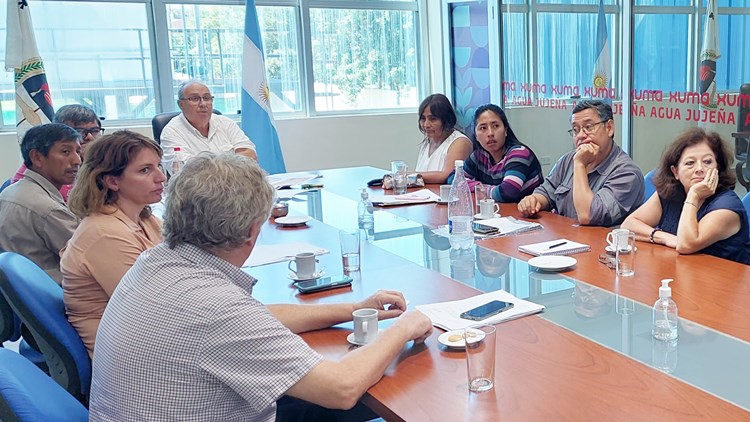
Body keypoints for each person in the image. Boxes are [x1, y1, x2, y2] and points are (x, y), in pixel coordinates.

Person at [89, 153, 433, 421]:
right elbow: (341, 388)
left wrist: (355, 308)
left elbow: (257, 316)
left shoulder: (156, 261)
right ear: (253, 230)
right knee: (390, 392)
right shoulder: (216, 308)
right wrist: (403, 328)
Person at [61, 131, 166, 358]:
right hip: (126, 356)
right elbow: (156, 309)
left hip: (142, 337)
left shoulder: (144, 217)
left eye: (158, 165)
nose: (161, 177)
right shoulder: (104, 234)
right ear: (112, 181)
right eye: (145, 170)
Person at [621, 128, 750, 264]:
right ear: (675, 172)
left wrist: (693, 195)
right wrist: (663, 237)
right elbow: (629, 225)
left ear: (717, 168)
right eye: (690, 163)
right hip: (680, 273)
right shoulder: (670, 193)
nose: (700, 169)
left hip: (724, 281)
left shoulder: (727, 207)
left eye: (707, 162)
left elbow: (686, 244)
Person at [517, 100, 644, 226]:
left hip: (602, 244)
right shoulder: (567, 160)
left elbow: (588, 216)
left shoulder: (627, 173)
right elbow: (546, 192)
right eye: (575, 130)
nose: (580, 136)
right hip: (565, 238)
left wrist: (580, 165)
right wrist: (533, 201)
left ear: (609, 128)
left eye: (588, 127)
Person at [0, 124, 81, 283]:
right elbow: (91, 255)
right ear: (37, 157)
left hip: (22, 291)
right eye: (65, 152)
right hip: (56, 293)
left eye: (77, 151)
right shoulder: (48, 209)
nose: (77, 160)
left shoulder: (10, 190)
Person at [10, 104, 103, 201]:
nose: (90, 137)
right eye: (80, 131)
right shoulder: (41, 164)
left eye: (95, 131)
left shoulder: (100, 160)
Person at [160, 80, 258, 171]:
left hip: (236, 185)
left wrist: (214, 168)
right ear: (181, 104)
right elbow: (187, 172)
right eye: (195, 98)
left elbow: (250, 155)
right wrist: (233, 164)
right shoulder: (171, 132)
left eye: (207, 98)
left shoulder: (226, 123)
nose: (203, 104)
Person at [464, 104, 543, 202]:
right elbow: (453, 178)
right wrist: (478, 186)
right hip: (502, 213)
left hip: (534, 215)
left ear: (505, 130)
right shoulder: (479, 156)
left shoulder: (519, 154)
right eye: (483, 128)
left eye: (495, 126)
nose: (490, 133)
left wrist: (480, 189)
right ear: (476, 135)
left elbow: (507, 193)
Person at [414, 94, 472, 183]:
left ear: (446, 119)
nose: (426, 125)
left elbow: (447, 175)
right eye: (423, 119)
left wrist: (408, 175)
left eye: (432, 119)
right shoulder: (428, 141)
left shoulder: (460, 142)